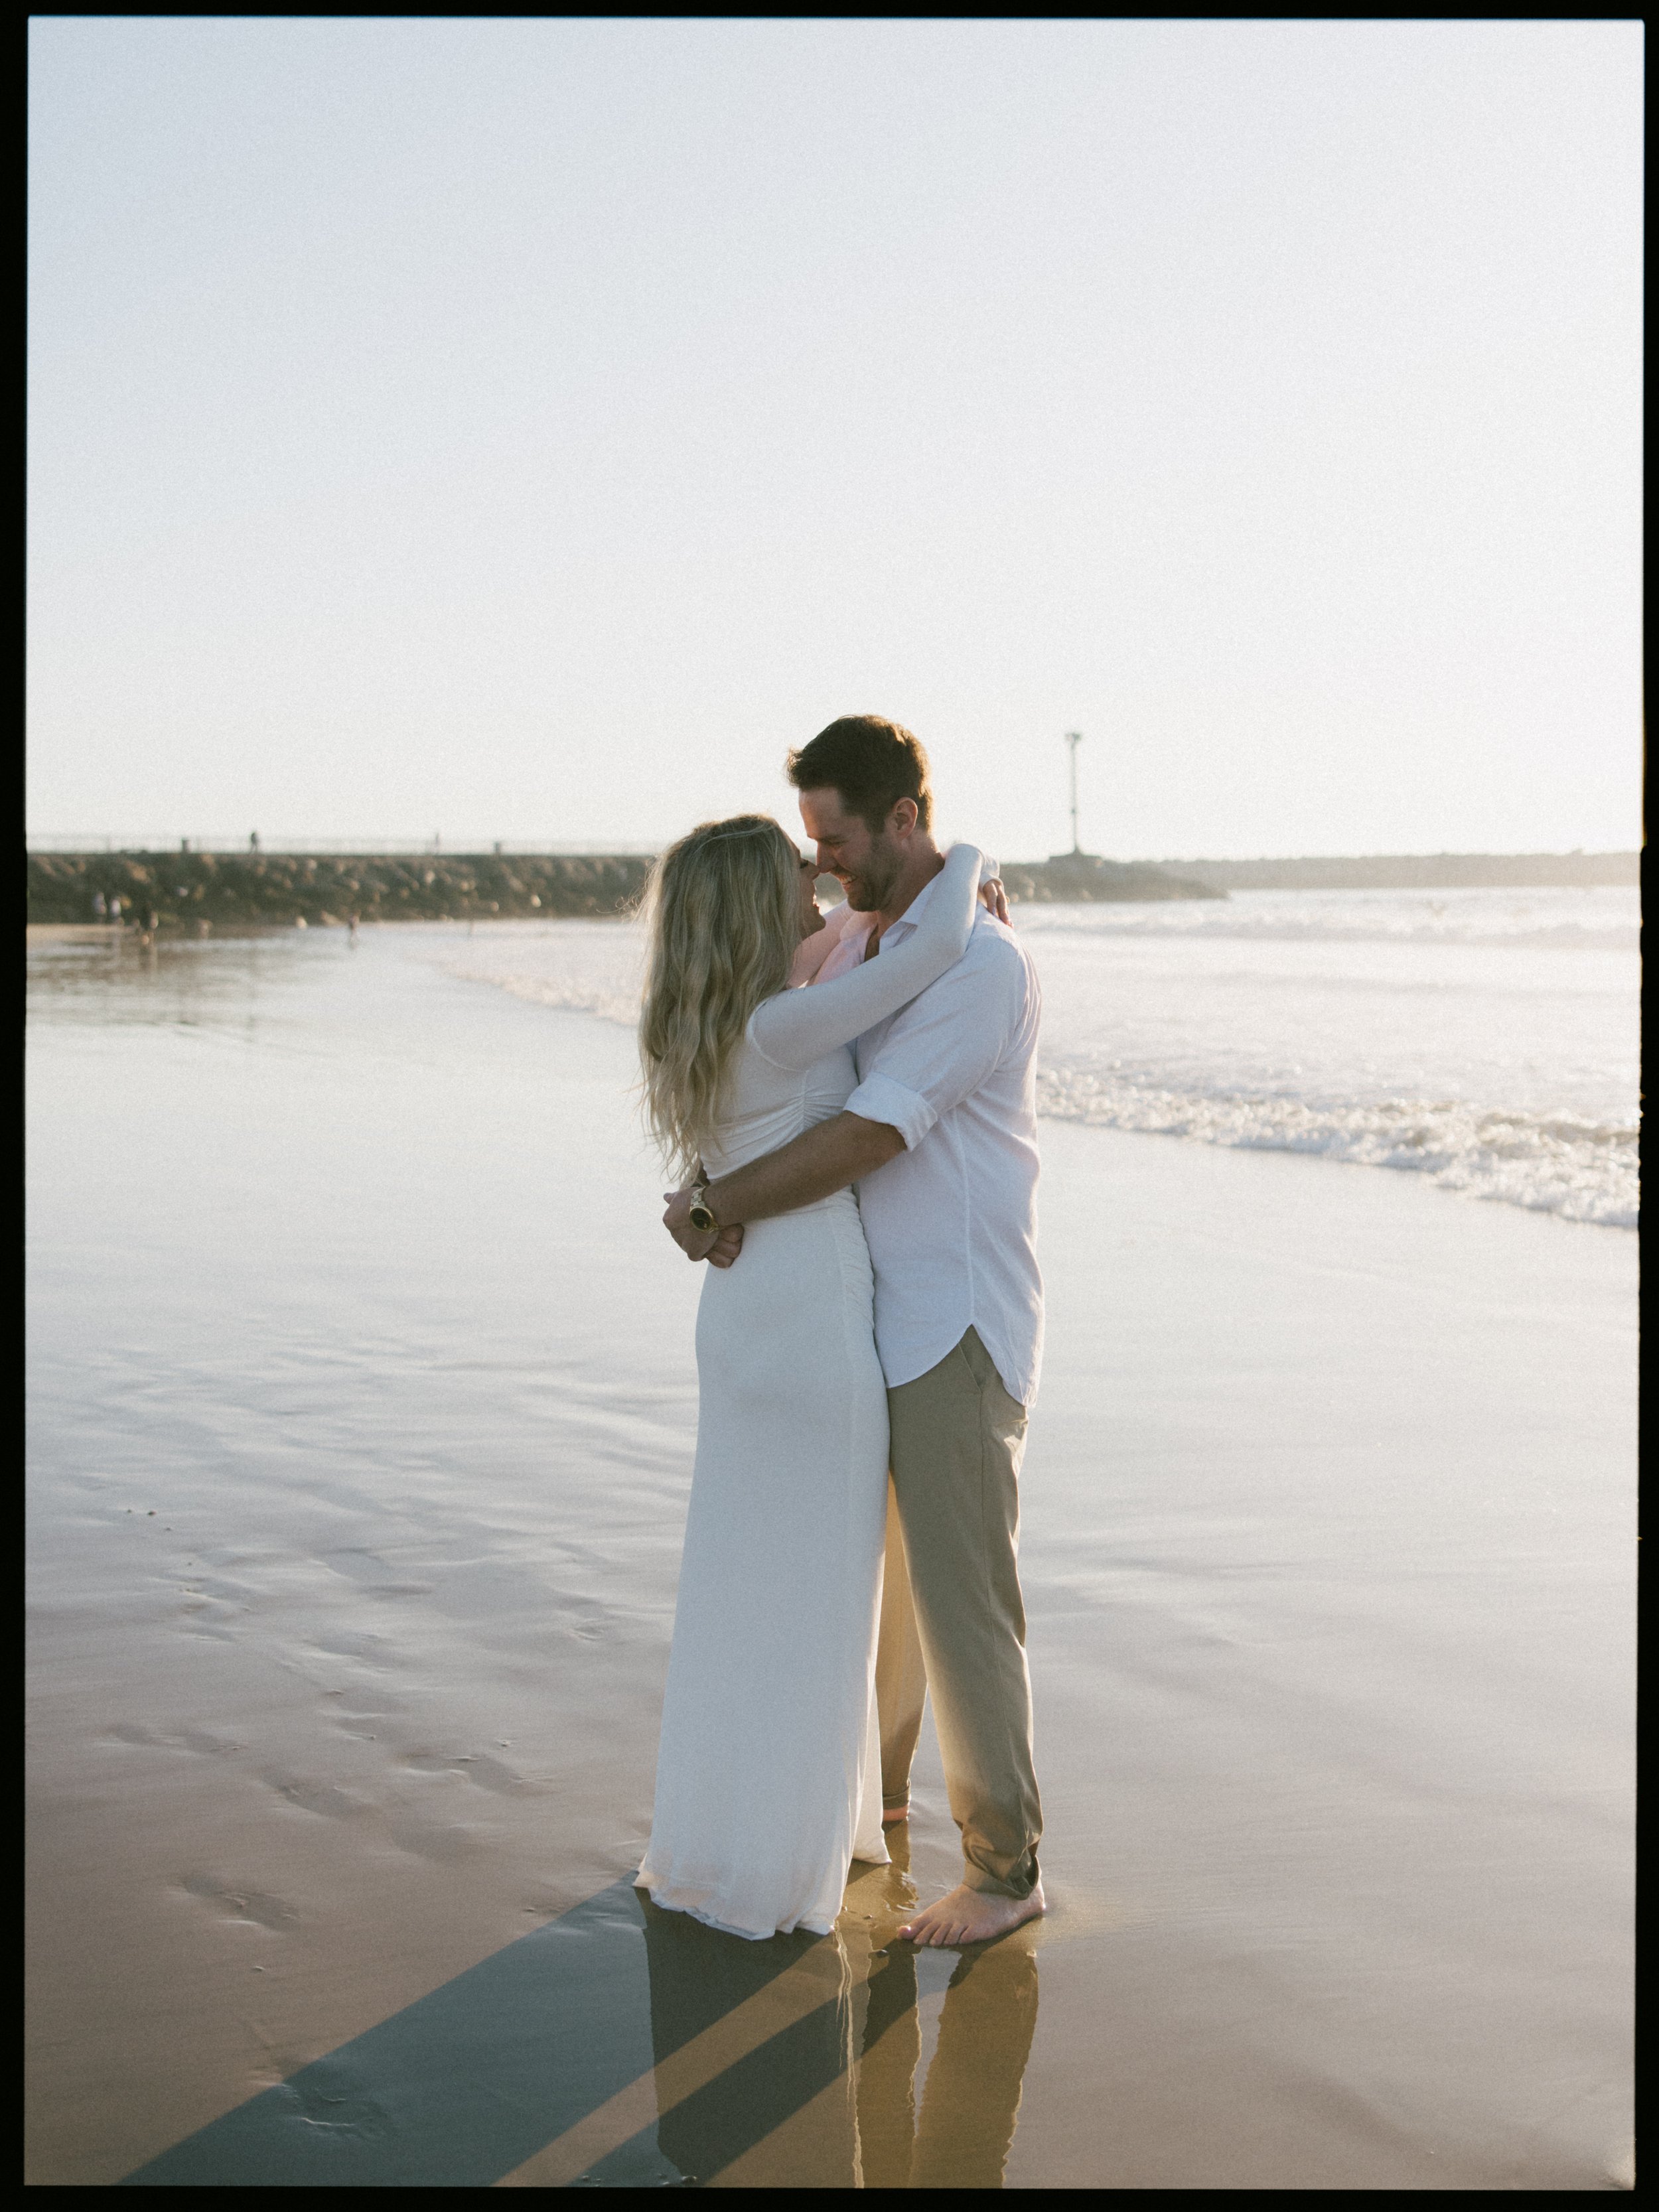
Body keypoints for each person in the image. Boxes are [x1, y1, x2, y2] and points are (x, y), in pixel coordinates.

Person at [664, 715, 1045, 1948]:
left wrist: (717, 1200)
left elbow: (874, 1130)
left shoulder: (977, 965)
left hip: (955, 1314)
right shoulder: (855, 948)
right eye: (809, 848)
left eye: (835, 840)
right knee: (875, 1601)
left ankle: (1005, 1867)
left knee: (958, 1598)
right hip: (857, 1313)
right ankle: (878, 1809)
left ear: (902, 819)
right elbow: (758, 1059)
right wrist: (708, 1188)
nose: (822, 867)